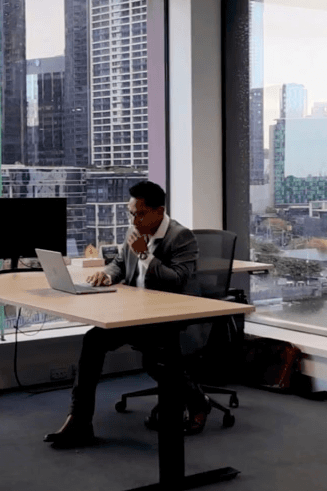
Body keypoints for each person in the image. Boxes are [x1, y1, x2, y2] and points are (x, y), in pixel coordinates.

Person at [43, 180, 208, 449]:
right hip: (136, 313)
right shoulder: (134, 230)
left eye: (139, 213)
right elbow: (119, 263)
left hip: (168, 317)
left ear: (159, 211)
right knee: (94, 339)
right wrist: (106, 275)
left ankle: (198, 401)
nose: (133, 219)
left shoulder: (181, 237)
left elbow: (177, 280)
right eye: (130, 213)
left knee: (157, 359)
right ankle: (80, 421)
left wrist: (144, 255)